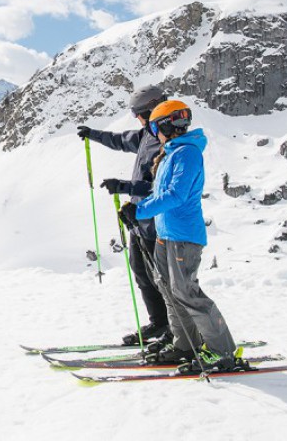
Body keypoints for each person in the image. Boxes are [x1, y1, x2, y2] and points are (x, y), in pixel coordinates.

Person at [118, 100, 242, 372]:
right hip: (165, 234)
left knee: (187, 292)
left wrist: (140, 210)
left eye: (154, 126)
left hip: (184, 235)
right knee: (169, 291)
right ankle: (185, 344)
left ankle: (222, 352)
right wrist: (136, 207)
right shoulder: (170, 153)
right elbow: (160, 192)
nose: (153, 132)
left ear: (163, 125)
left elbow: (176, 195)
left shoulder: (186, 153)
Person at [77, 84, 169, 345]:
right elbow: (120, 141)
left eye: (137, 114)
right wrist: (92, 134)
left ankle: (174, 327)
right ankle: (159, 322)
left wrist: (125, 187)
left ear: (149, 111)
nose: (137, 119)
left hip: (157, 222)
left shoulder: (166, 141)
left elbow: (161, 187)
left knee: (160, 276)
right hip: (139, 220)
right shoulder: (147, 136)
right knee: (141, 271)